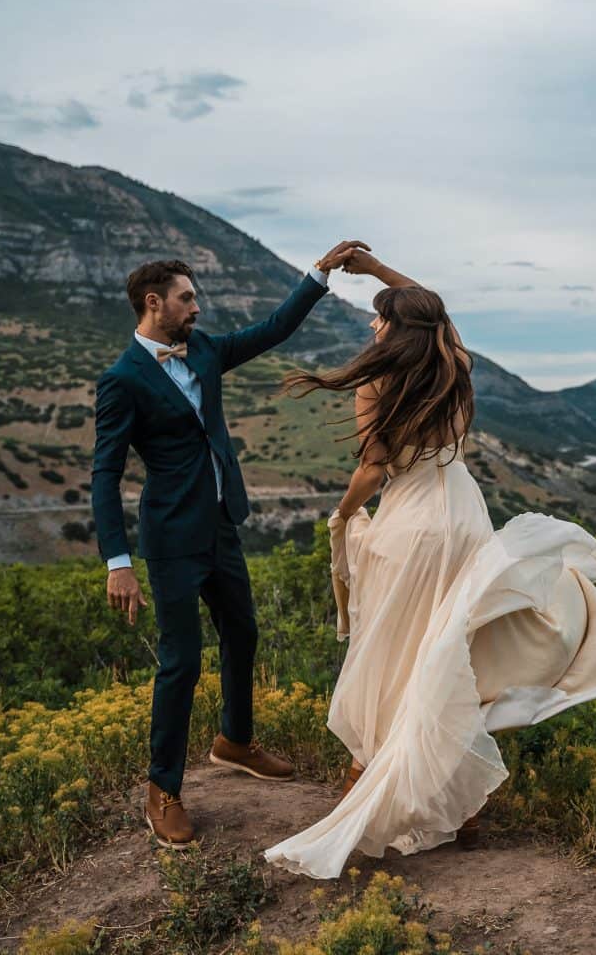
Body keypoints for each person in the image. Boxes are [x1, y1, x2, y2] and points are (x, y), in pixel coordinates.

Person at [264, 247, 596, 879]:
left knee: (393, 654)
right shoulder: (454, 364)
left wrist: (342, 511)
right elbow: (437, 312)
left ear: (392, 329)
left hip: (409, 529)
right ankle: (459, 810)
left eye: (378, 319)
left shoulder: (377, 382)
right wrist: (381, 273)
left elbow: (375, 468)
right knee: (446, 655)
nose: (372, 328)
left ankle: (368, 781)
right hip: (464, 519)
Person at [91, 242, 369, 849]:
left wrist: (318, 274)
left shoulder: (207, 348)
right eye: (187, 298)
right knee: (182, 661)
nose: (198, 306)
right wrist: (119, 561)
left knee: (243, 632)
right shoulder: (121, 381)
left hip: (221, 525)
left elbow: (272, 329)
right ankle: (161, 789)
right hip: (169, 539)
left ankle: (234, 741)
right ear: (153, 302)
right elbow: (104, 475)